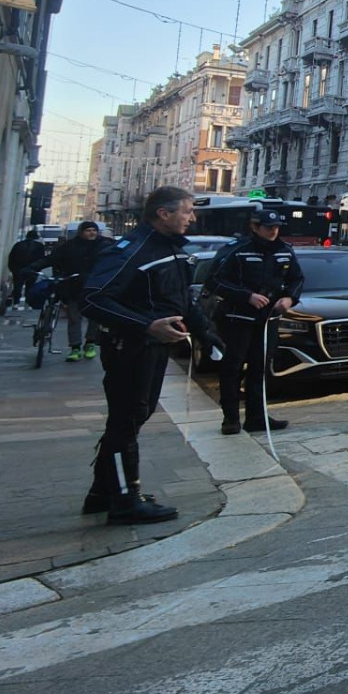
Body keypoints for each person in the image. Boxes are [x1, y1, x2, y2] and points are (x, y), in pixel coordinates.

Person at [79, 186, 218, 525]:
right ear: (164, 213)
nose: (192, 218)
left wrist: (210, 338)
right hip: (131, 347)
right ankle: (126, 500)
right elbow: (93, 298)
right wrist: (146, 326)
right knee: (126, 420)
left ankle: (103, 493)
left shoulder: (173, 250)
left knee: (133, 418)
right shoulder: (130, 250)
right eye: (187, 211)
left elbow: (184, 300)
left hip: (155, 347)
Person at [204, 209, 304, 435]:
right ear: (255, 227)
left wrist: (289, 298)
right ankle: (230, 418)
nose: (273, 231)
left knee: (260, 368)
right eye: (268, 228)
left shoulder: (284, 251)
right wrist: (246, 296)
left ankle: (256, 417)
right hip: (238, 318)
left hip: (268, 319)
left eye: (276, 227)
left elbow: (296, 279)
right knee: (233, 367)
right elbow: (214, 281)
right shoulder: (237, 250)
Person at [27, 221, 109, 361]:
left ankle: (90, 343)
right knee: (74, 318)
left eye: (94, 231)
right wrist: (33, 267)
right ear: (81, 232)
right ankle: (75, 347)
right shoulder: (70, 246)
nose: (91, 233)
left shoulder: (104, 245)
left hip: (95, 287)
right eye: (88, 230)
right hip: (73, 286)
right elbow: (51, 259)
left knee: (95, 317)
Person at [7, 229, 46, 307]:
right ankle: (27, 303)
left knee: (17, 286)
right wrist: (38, 269)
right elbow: (41, 259)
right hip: (32, 270)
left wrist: (12, 269)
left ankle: (16, 303)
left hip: (18, 269)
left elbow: (11, 257)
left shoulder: (18, 245)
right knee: (30, 286)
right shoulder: (39, 246)